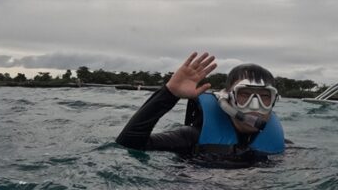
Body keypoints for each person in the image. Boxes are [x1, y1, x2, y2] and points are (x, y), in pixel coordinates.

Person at [115, 52, 285, 164]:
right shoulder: (192, 137)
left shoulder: (280, 146)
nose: (255, 106)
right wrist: (169, 94)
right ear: (227, 99)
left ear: (273, 101)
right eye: (244, 94)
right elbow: (129, 144)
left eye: (264, 97)